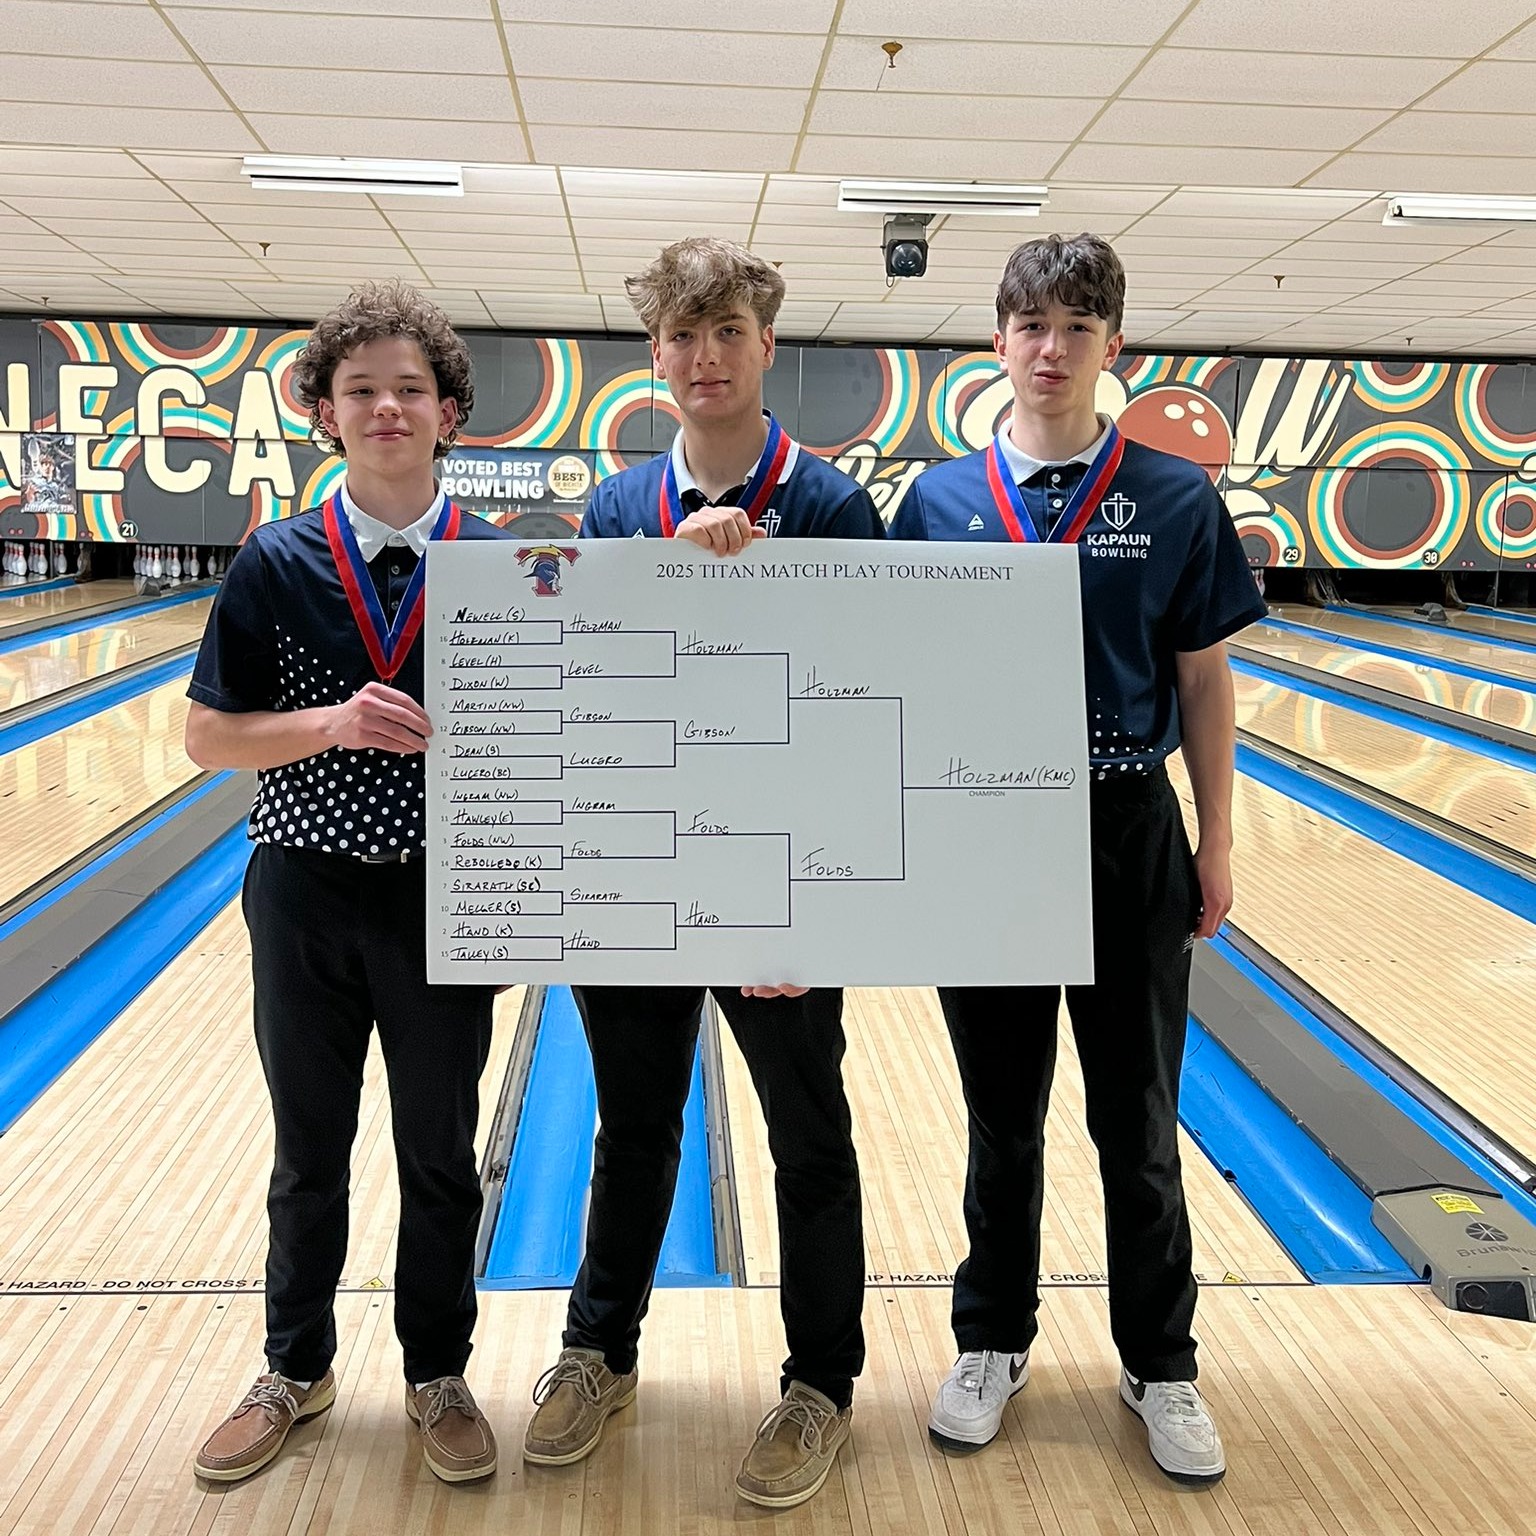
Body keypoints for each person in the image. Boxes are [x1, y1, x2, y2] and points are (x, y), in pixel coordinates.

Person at [889, 233, 1264, 1484]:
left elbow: (1204, 679)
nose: (1052, 350)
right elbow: (882, 679)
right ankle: (991, 1342)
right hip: (982, 831)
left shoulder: (1173, 498)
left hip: (1124, 827)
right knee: (1002, 1121)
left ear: (1118, 350)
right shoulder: (935, 504)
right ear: (995, 345)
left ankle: (1162, 1364)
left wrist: (1216, 839)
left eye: (1078, 328)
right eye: (1030, 327)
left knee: (1136, 1123)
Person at [522, 237, 883, 1510]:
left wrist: (809, 910)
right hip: (637, 878)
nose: (704, 357)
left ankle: (822, 1382)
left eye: (727, 331)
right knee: (633, 1130)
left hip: (775, 889)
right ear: (654, 354)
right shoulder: (618, 508)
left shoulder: (832, 507)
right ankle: (597, 1351)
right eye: (682, 336)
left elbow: (862, 715)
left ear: (766, 344)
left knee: (807, 1137)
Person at [185, 280, 507, 1486]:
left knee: (438, 1149)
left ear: (447, 413)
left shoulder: (506, 564)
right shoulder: (274, 560)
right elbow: (209, 738)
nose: (386, 407)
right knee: (308, 1146)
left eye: (410, 389)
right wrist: (331, 721)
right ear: (325, 410)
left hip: (450, 895)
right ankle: (296, 1367)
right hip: (306, 892)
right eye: (361, 388)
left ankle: (438, 1371)